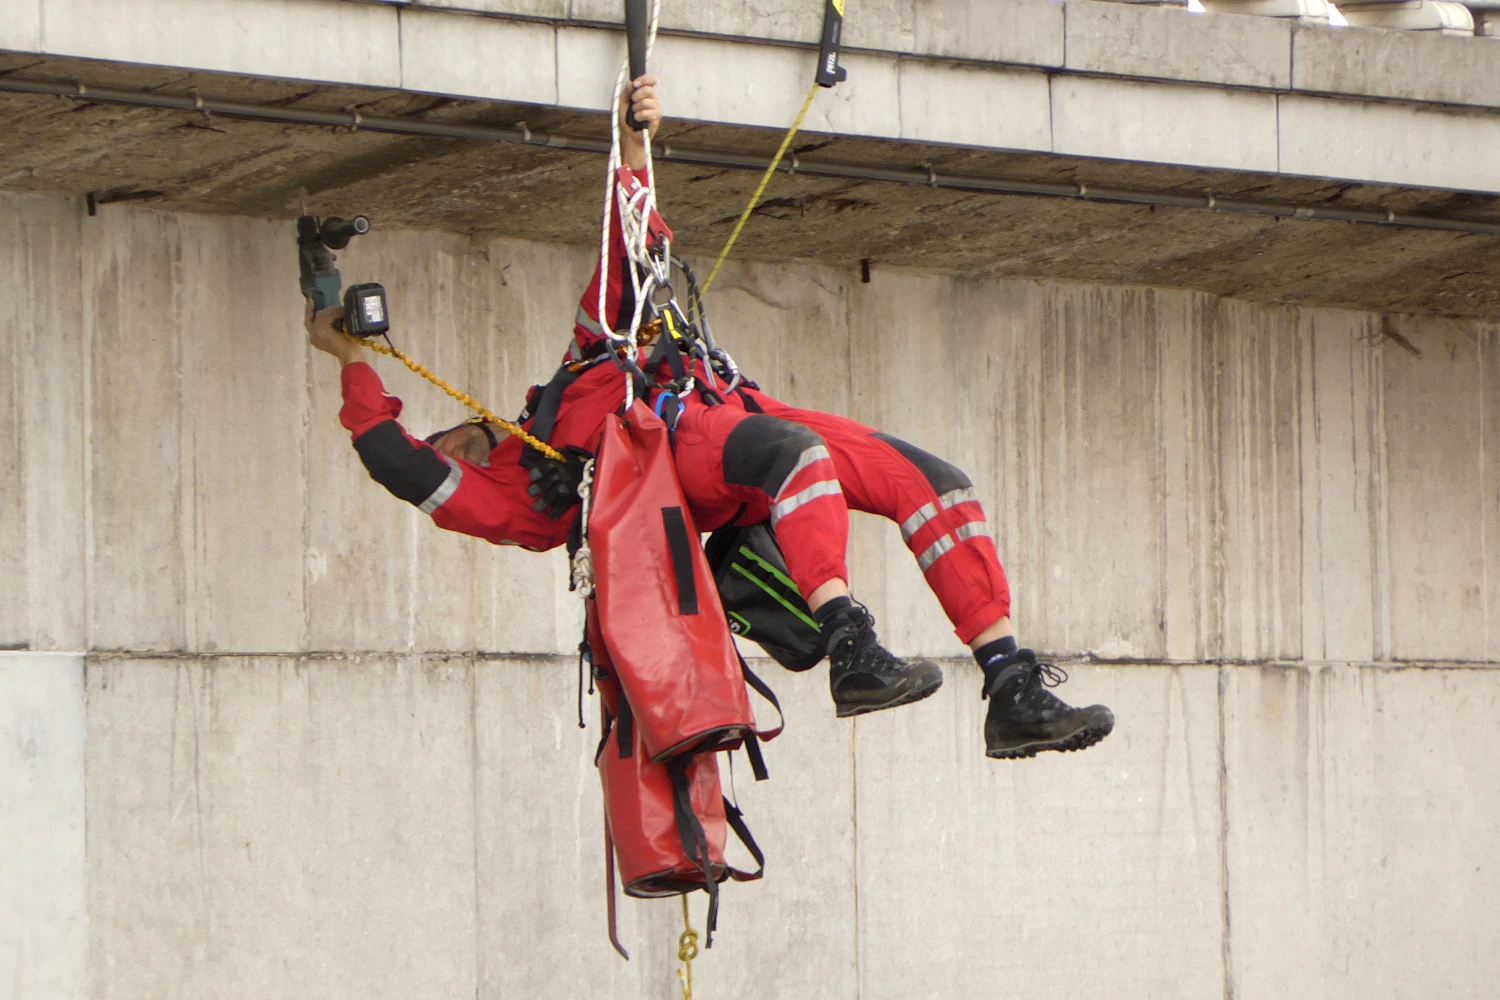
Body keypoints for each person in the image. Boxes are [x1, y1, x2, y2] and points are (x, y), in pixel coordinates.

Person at [307, 76, 1113, 760]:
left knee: (935, 482)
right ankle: (850, 646)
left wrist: (634, 142)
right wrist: (349, 360)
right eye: (446, 440)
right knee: (793, 455)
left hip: (731, 414)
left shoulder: (586, 360)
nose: (452, 432)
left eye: (452, 430)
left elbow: (629, 243)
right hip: (672, 457)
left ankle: (1009, 684)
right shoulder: (520, 497)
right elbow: (392, 456)